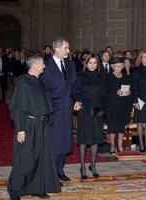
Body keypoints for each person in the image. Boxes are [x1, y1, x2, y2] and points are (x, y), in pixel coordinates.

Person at [8, 55, 61, 200]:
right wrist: (20, 130)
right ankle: (16, 190)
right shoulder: (24, 83)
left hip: (41, 125)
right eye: (42, 64)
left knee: (40, 157)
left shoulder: (39, 82)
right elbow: (17, 108)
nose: (44, 66)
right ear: (36, 65)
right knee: (25, 158)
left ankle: (37, 188)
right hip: (28, 125)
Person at [40, 37, 82, 182]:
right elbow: (42, 90)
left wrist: (77, 99)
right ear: (57, 49)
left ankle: (60, 170)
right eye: (66, 48)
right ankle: (51, 173)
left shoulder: (70, 64)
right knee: (54, 142)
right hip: (53, 110)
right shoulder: (46, 65)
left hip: (67, 109)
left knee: (65, 141)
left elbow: (75, 85)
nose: (69, 51)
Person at [77, 53, 106, 179]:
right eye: (90, 62)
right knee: (84, 139)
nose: (92, 65)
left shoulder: (102, 76)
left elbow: (105, 94)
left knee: (95, 139)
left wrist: (103, 108)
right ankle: (82, 166)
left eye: (95, 63)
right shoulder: (80, 76)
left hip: (98, 109)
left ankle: (93, 165)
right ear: (86, 63)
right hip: (85, 109)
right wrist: (79, 102)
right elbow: (77, 91)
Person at [107, 57, 132, 153]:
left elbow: (130, 88)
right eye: (116, 66)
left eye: (120, 66)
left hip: (123, 104)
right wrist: (115, 92)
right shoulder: (108, 77)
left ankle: (120, 145)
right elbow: (105, 92)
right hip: (112, 105)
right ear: (113, 67)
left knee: (121, 126)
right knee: (112, 127)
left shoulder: (126, 77)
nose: (118, 68)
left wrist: (129, 92)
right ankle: (113, 145)